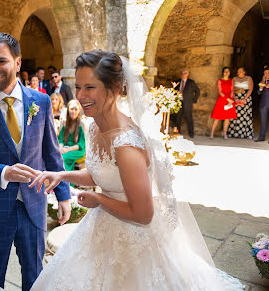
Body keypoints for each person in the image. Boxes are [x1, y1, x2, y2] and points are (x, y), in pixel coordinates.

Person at [29, 49, 244, 291]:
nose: (80, 96)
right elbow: (102, 173)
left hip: (134, 239)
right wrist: (60, 175)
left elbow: (143, 214)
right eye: (78, 87)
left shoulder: (126, 144)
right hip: (102, 229)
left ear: (114, 88)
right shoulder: (95, 127)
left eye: (90, 87)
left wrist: (98, 198)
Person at [0, 32, 71, 291]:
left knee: (36, 276)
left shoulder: (39, 101)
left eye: (1, 61)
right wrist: (4, 172)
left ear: (17, 63)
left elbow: (51, 152)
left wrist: (63, 195)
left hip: (34, 204)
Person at [58, 99, 85, 171]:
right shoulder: (64, 123)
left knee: (63, 158)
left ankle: (67, 181)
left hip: (77, 150)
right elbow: (61, 139)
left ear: (79, 110)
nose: (73, 111)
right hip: (65, 148)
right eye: (71, 109)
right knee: (56, 156)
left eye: (76, 109)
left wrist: (67, 150)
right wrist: (61, 148)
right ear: (68, 110)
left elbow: (81, 144)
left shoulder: (82, 124)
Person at [210, 67, 237, 139]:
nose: (226, 73)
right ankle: (212, 133)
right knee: (217, 117)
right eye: (225, 71)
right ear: (223, 72)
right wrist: (227, 99)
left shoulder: (231, 80)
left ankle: (225, 134)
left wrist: (231, 100)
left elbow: (232, 91)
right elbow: (220, 92)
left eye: (228, 71)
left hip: (229, 100)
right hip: (222, 100)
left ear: (229, 73)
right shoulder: (220, 80)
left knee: (227, 118)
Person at [227, 67, 254, 139]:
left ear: (245, 72)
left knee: (244, 115)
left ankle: (244, 133)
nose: (238, 73)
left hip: (246, 98)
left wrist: (244, 99)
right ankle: (234, 133)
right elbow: (232, 89)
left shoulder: (249, 78)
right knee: (235, 115)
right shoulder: (234, 79)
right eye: (238, 71)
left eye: (240, 71)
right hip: (236, 98)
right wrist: (235, 98)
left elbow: (250, 89)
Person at [174, 68, 200, 138]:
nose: (183, 75)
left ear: (188, 74)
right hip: (178, 102)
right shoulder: (177, 82)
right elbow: (173, 91)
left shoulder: (191, 82)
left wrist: (193, 100)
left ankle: (191, 134)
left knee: (189, 118)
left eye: (185, 73)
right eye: (182, 73)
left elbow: (197, 91)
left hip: (188, 103)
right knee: (177, 118)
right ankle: (177, 133)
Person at [255, 67, 269, 142]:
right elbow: (258, 93)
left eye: (268, 73)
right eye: (265, 73)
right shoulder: (262, 81)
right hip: (263, 104)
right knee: (263, 121)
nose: (267, 75)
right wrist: (260, 88)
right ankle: (261, 137)